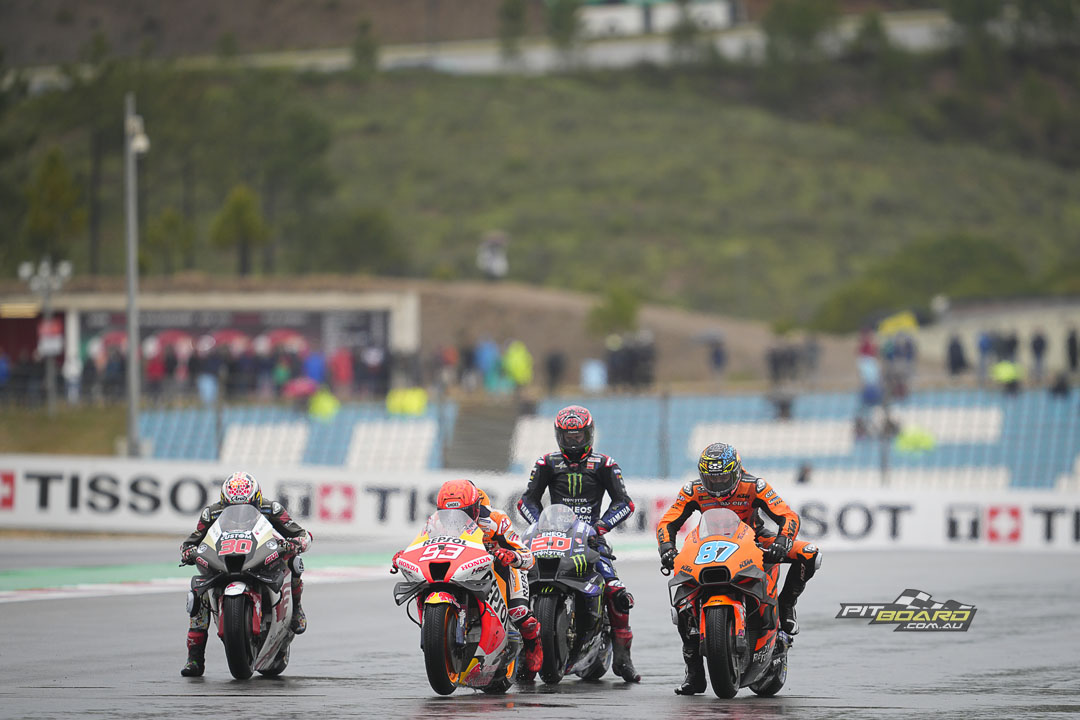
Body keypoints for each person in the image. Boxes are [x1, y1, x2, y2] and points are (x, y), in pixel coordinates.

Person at [656, 442, 820, 696]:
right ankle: (694, 672)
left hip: (754, 540)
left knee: (809, 553)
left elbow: (788, 516)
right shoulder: (693, 490)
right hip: (708, 543)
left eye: (722, 478)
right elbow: (668, 521)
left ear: (736, 471)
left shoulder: (755, 486)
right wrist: (667, 548)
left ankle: (786, 604)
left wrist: (782, 541)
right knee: (682, 597)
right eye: (711, 479)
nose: (717, 485)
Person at [517, 404, 641, 683]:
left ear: (589, 433)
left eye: (578, 436)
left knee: (616, 590)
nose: (573, 442)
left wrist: (601, 526)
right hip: (552, 534)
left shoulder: (605, 464)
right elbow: (527, 500)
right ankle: (521, 650)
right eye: (568, 437)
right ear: (558, 435)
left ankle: (623, 658)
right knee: (518, 582)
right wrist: (538, 524)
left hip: (590, 538)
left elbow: (625, 503)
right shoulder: (546, 463)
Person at [395, 479, 543, 676]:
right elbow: (419, 544)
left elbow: (526, 555)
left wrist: (512, 556)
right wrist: (404, 555)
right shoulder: (435, 522)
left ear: (475, 508)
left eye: (462, 512)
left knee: (519, 612)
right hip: (465, 568)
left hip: (502, 567)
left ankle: (533, 644)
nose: (453, 518)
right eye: (447, 513)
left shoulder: (496, 519)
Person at [178, 472, 312, 677]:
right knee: (198, 591)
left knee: (294, 561)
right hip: (224, 559)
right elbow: (191, 541)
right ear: (224, 502)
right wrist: (188, 551)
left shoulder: (271, 509)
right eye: (232, 507)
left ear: (256, 499)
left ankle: (297, 610)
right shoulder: (211, 514)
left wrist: (297, 542)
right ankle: (194, 657)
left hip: (260, 555)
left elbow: (299, 533)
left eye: (246, 506)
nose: (239, 511)